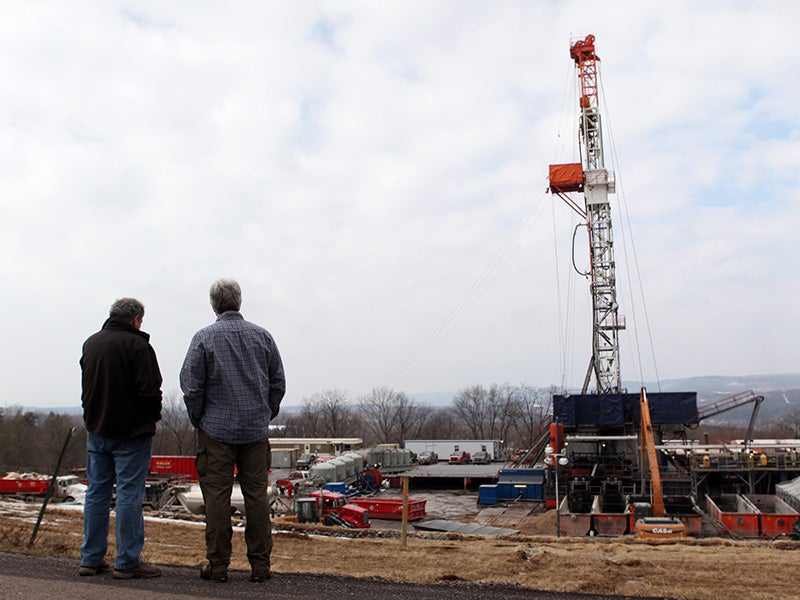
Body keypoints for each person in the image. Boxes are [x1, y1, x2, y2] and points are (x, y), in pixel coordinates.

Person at [180, 278, 285, 583]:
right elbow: (278, 382)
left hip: (216, 431)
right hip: (254, 430)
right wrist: (265, 413)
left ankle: (218, 565)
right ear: (239, 301)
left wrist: (199, 418)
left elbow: (190, 385)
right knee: (257, 498)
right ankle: (261, 566)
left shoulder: (203, 338)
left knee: (216, 498)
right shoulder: (263, 337)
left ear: (214, 305)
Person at [79, 298, 163, 579]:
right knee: (129, 494)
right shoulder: (139, 346)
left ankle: (90, 558)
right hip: (132, 432)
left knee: (97, 494)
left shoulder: (91, 343)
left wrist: (90, 417)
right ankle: (127, 561)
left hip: (97, 429)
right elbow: (150, 390)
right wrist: (152, 417)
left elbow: (86, 387)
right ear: (136, 319)